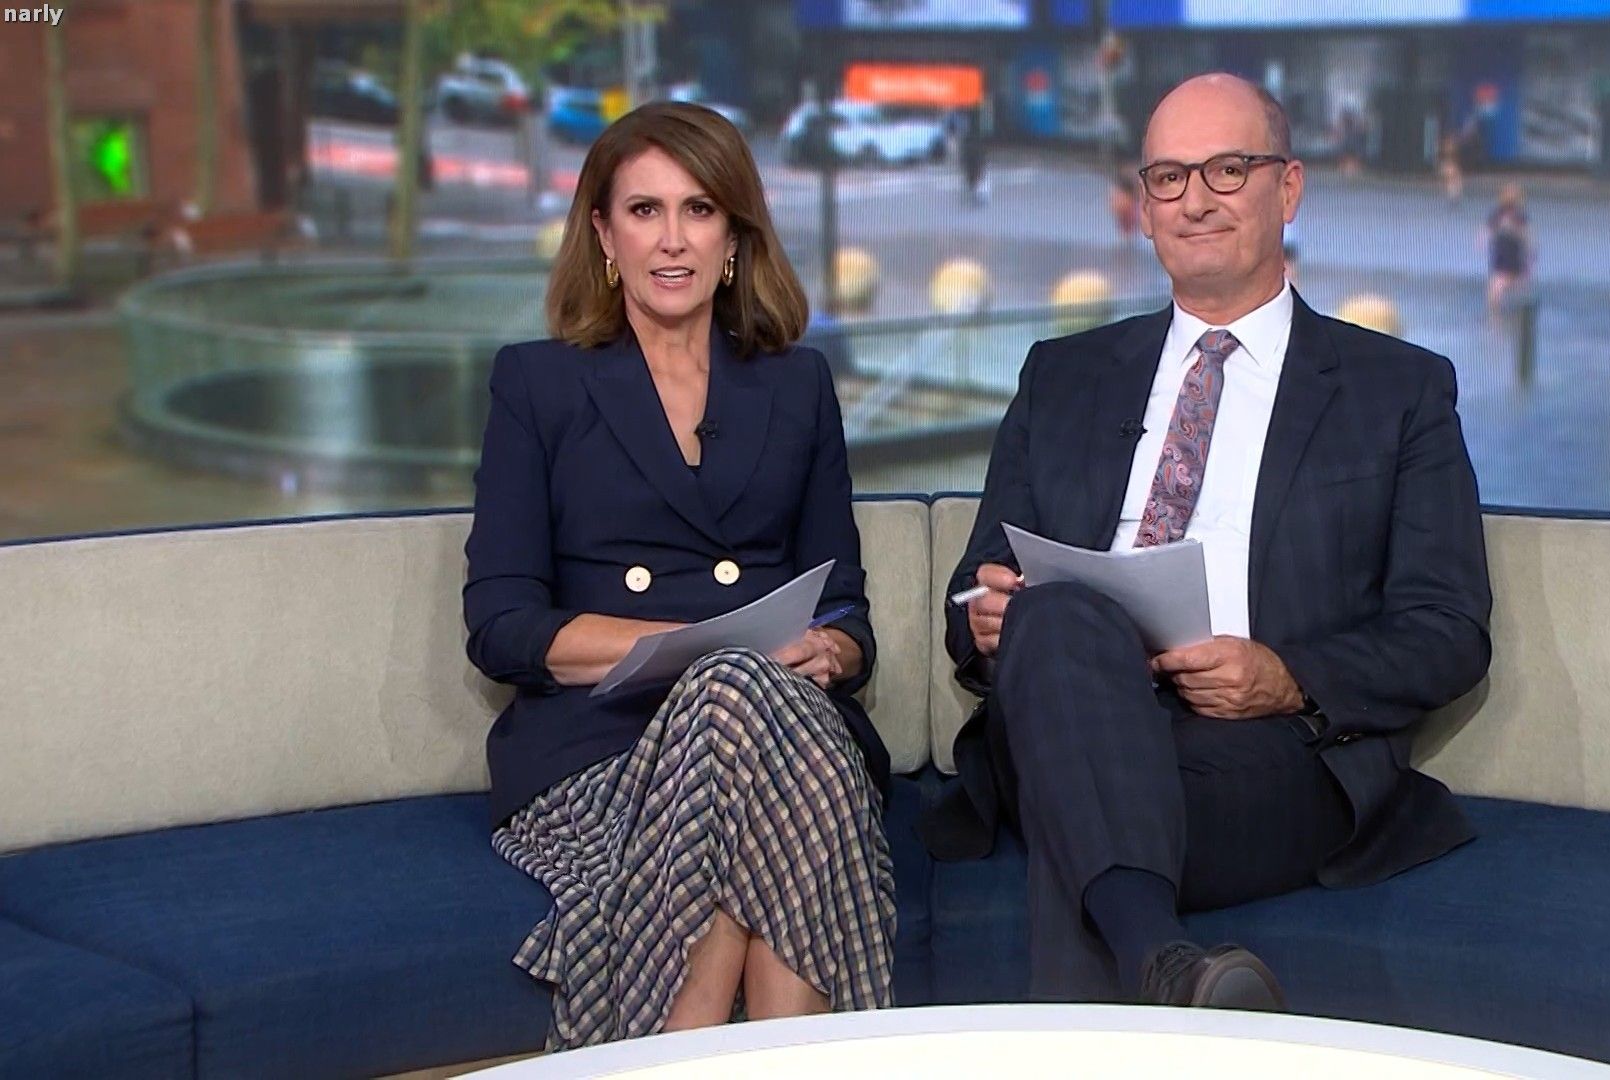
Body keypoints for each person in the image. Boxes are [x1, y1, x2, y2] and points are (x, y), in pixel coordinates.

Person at [916, 74, 1492, 1008]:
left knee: (1083, 805)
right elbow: (973, 589)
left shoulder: (1398, 390)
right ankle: (1164, 962)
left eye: (1227, 169)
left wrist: (1287, 675)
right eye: (1169, 177)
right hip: (1068, 705)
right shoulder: (1062, 375)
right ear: (1145, 207)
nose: (1195, 200)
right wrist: (986, 615)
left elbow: (1449, 629)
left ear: (1288, 188)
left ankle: (1142, 955)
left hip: (1266, 752)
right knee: (1056, 614)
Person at [464, 102, 894, 1049]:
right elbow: (501, 624)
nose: (672, 239)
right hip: (601, 748)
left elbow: (844, 604)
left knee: (748, 722)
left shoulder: (796, 384)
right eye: (644, 210)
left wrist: (832, 648)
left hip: (783, 736)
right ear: (603, 234)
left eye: (699, 211)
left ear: (733, 238)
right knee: (735, 697)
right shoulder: (538, 384)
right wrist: (692, 653)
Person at [1483, 182, 1532, 317]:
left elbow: (1527, 238)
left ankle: (1506, 316)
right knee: (1496, 291)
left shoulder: (1519, 217)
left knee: (1500, 288)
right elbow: (1487, 232)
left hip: (1512, 260)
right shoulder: (1498, 214)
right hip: (1501, 259)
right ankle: (1499, 317)